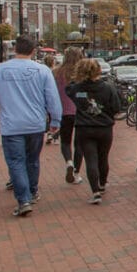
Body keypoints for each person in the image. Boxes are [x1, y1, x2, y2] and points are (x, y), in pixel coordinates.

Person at [0, 36, 61, 217]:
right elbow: (52, 99)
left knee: (16, 161)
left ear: (15, 49)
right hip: (35, 123)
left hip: (11, 124)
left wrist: (1, 102)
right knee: (32, 160)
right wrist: (55, 121)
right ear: (33, 51)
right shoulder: (42, 71)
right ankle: (32, 192)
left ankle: (23, 199)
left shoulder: (0, 70)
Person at [69, 57, 122, 205]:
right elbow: (116, 107)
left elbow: (69, 89)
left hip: (84, 128)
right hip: (104, 128)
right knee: (103, 157)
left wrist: (78, 79)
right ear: (99, 70)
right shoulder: (108, 87)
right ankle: (102, 184)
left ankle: (95, 192)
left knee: (90, 159)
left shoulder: (77, 88)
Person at [54, 46, 86, 185]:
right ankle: (76, 173)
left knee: (65, 142)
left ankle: (69, 162)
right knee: (79, 144)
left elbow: (52, 93)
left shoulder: (56, 73)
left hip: (63, 112)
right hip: (80, 112)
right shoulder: (82, 74)